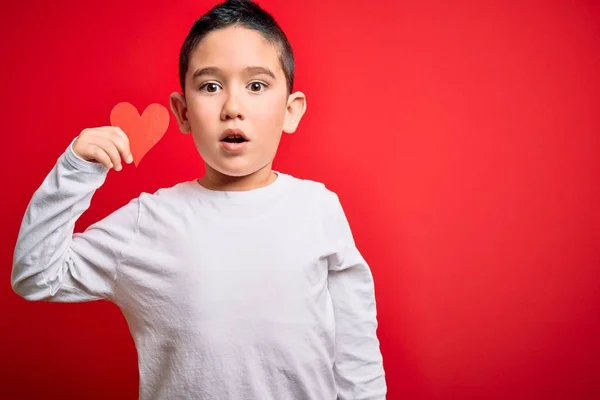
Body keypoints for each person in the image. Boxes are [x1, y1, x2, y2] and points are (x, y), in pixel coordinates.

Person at [11, 0, 387, 399]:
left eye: (256, 86)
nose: (233, 108)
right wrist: (74, 171)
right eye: (210, 86)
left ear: (290, 111)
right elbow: (37, 275)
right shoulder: (149, 220)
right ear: (183, 112)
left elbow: (356, 349)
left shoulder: (318, 208)